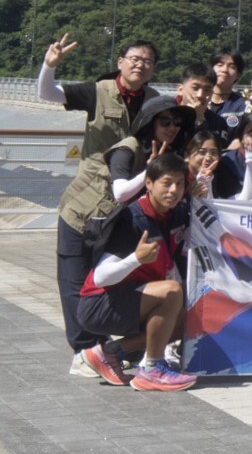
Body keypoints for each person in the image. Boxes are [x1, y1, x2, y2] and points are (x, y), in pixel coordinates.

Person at [39, 34, 155, 374]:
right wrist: (50, 66)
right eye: (134, 58)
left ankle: (112, 345)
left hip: (123, 210)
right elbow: (49, 93)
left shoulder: (153, 102)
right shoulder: (98, 91)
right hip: (83, 204)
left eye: (147, 61)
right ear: (120, 62)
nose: (140, 64)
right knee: (74, 280)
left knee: (111, 277)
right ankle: (83, 349)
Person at [75, 154, 196, 391]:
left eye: (180, 184)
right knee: (172, 291)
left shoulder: (175, 214)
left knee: (188, 321)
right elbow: (100, 277)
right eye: (167, 183)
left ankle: (108, 352)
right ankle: (152, 369)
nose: (174, 190)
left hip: (132, 297)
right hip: (98, 303)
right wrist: (135, 259)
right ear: (149, 183)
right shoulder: (131, 219)